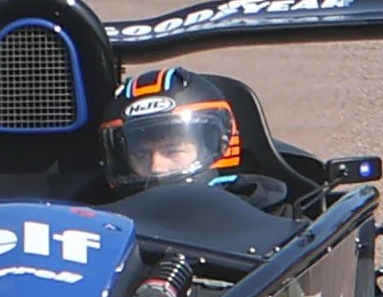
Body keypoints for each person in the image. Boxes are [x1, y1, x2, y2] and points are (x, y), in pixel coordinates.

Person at [99, 67, 289, 211]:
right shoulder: (105, 218)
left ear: (216, 143)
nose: (156, 166)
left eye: (172, 151)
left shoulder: (267, 212)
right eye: (141, 156)